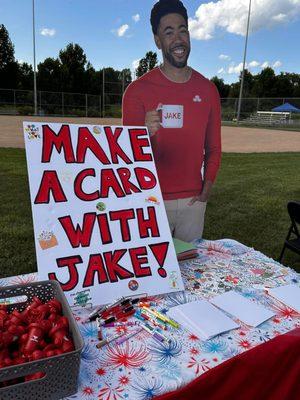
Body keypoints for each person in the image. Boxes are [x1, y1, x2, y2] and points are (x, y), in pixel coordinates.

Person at [122, 0, 221, 242]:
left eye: (183, 30)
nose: (178, 39)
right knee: (153, 276)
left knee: (191, 274)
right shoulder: (137, 91)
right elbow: (126, 158)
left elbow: (214, 148)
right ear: (157, 40)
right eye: (169, 32)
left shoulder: (208, 89)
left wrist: (206, 189)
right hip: (151, 200)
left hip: (193, 203)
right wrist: (143, 133)